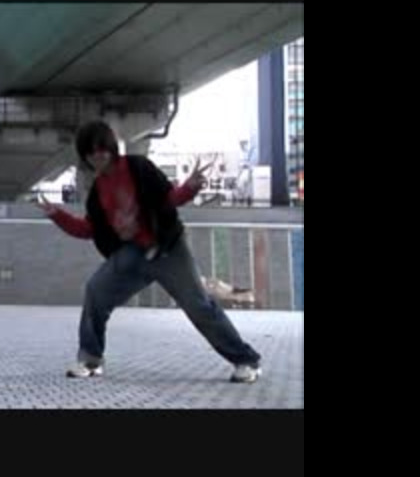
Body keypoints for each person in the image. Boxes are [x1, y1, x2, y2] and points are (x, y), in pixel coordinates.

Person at [35, 121, 262, 383]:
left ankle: (247, 361)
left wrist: (190, 188)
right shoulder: (97, 192)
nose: (97, 156)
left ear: (111, 148)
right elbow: (88, 229)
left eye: (101, 149)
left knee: (199, 306)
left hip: (167, 249)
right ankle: (90, 359)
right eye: (90, 152)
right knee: (96, 292)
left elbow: (168, 199)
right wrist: (57, 215)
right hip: (132, 253)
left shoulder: (138, 167)